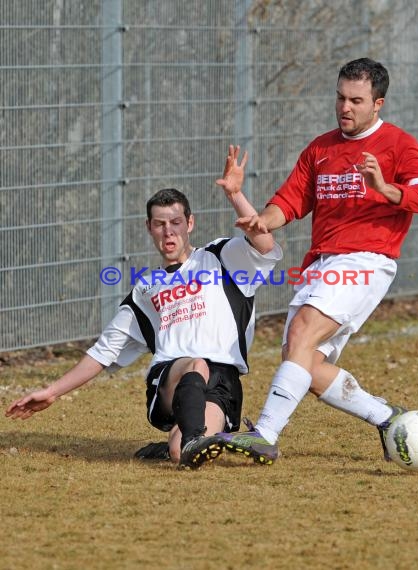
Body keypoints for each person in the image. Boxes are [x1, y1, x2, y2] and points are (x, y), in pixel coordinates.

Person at [194, 57, 418, 466]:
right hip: (322, 263)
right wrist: (260, 217)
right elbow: (289, 202)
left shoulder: (400, 145)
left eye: (356, 100)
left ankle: (265, 435)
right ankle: (388, 418)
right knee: (302, 358)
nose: (345, 107)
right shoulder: (321, 148)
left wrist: (385, 188)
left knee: (305, 331)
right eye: (341, 97)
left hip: (365, 260)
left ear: (377, 104)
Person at [5, 146, 283, 469]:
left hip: (222, 379)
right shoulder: (145, 289)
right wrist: (52, 391)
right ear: (149, 227)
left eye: (176, 222)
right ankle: (196, 437)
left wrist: (235, 194)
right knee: (195, 364)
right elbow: (102, 352)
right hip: (171, 378)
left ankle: (179, 443)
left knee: (183, 453)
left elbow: (264, 244)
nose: (169, 231)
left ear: (190, 223)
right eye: (160, 224)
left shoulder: (220, 257)